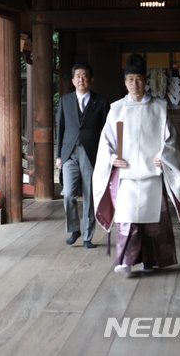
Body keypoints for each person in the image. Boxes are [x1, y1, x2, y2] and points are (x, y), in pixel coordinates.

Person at [92, 53, 180, 277]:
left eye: (139, 79)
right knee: (128, 219)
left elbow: (170, 139)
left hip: (152, 174)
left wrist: (165, 157)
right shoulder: (116, 109)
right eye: (131, 79)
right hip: (127, 175)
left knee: (154, 223)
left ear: (146, 80)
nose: (135, 84)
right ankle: (124, 261)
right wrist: (112, 158)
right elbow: (106, 142)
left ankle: (150, 261)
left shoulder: (159, 108)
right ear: (125, 82)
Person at [56, 62, 109, 248]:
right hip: (69, 152)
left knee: (89, 194)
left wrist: (106, 155)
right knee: (68, 194)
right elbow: (60, 129)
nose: (81, 79)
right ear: (72, 80)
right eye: (78, 76)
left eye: (85, 76)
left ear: (91, 80)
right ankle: (74, 229)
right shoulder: (65, 101)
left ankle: (87, 236)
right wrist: (58, 156)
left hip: (91, 152)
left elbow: (106, 131)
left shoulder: (100, 102)